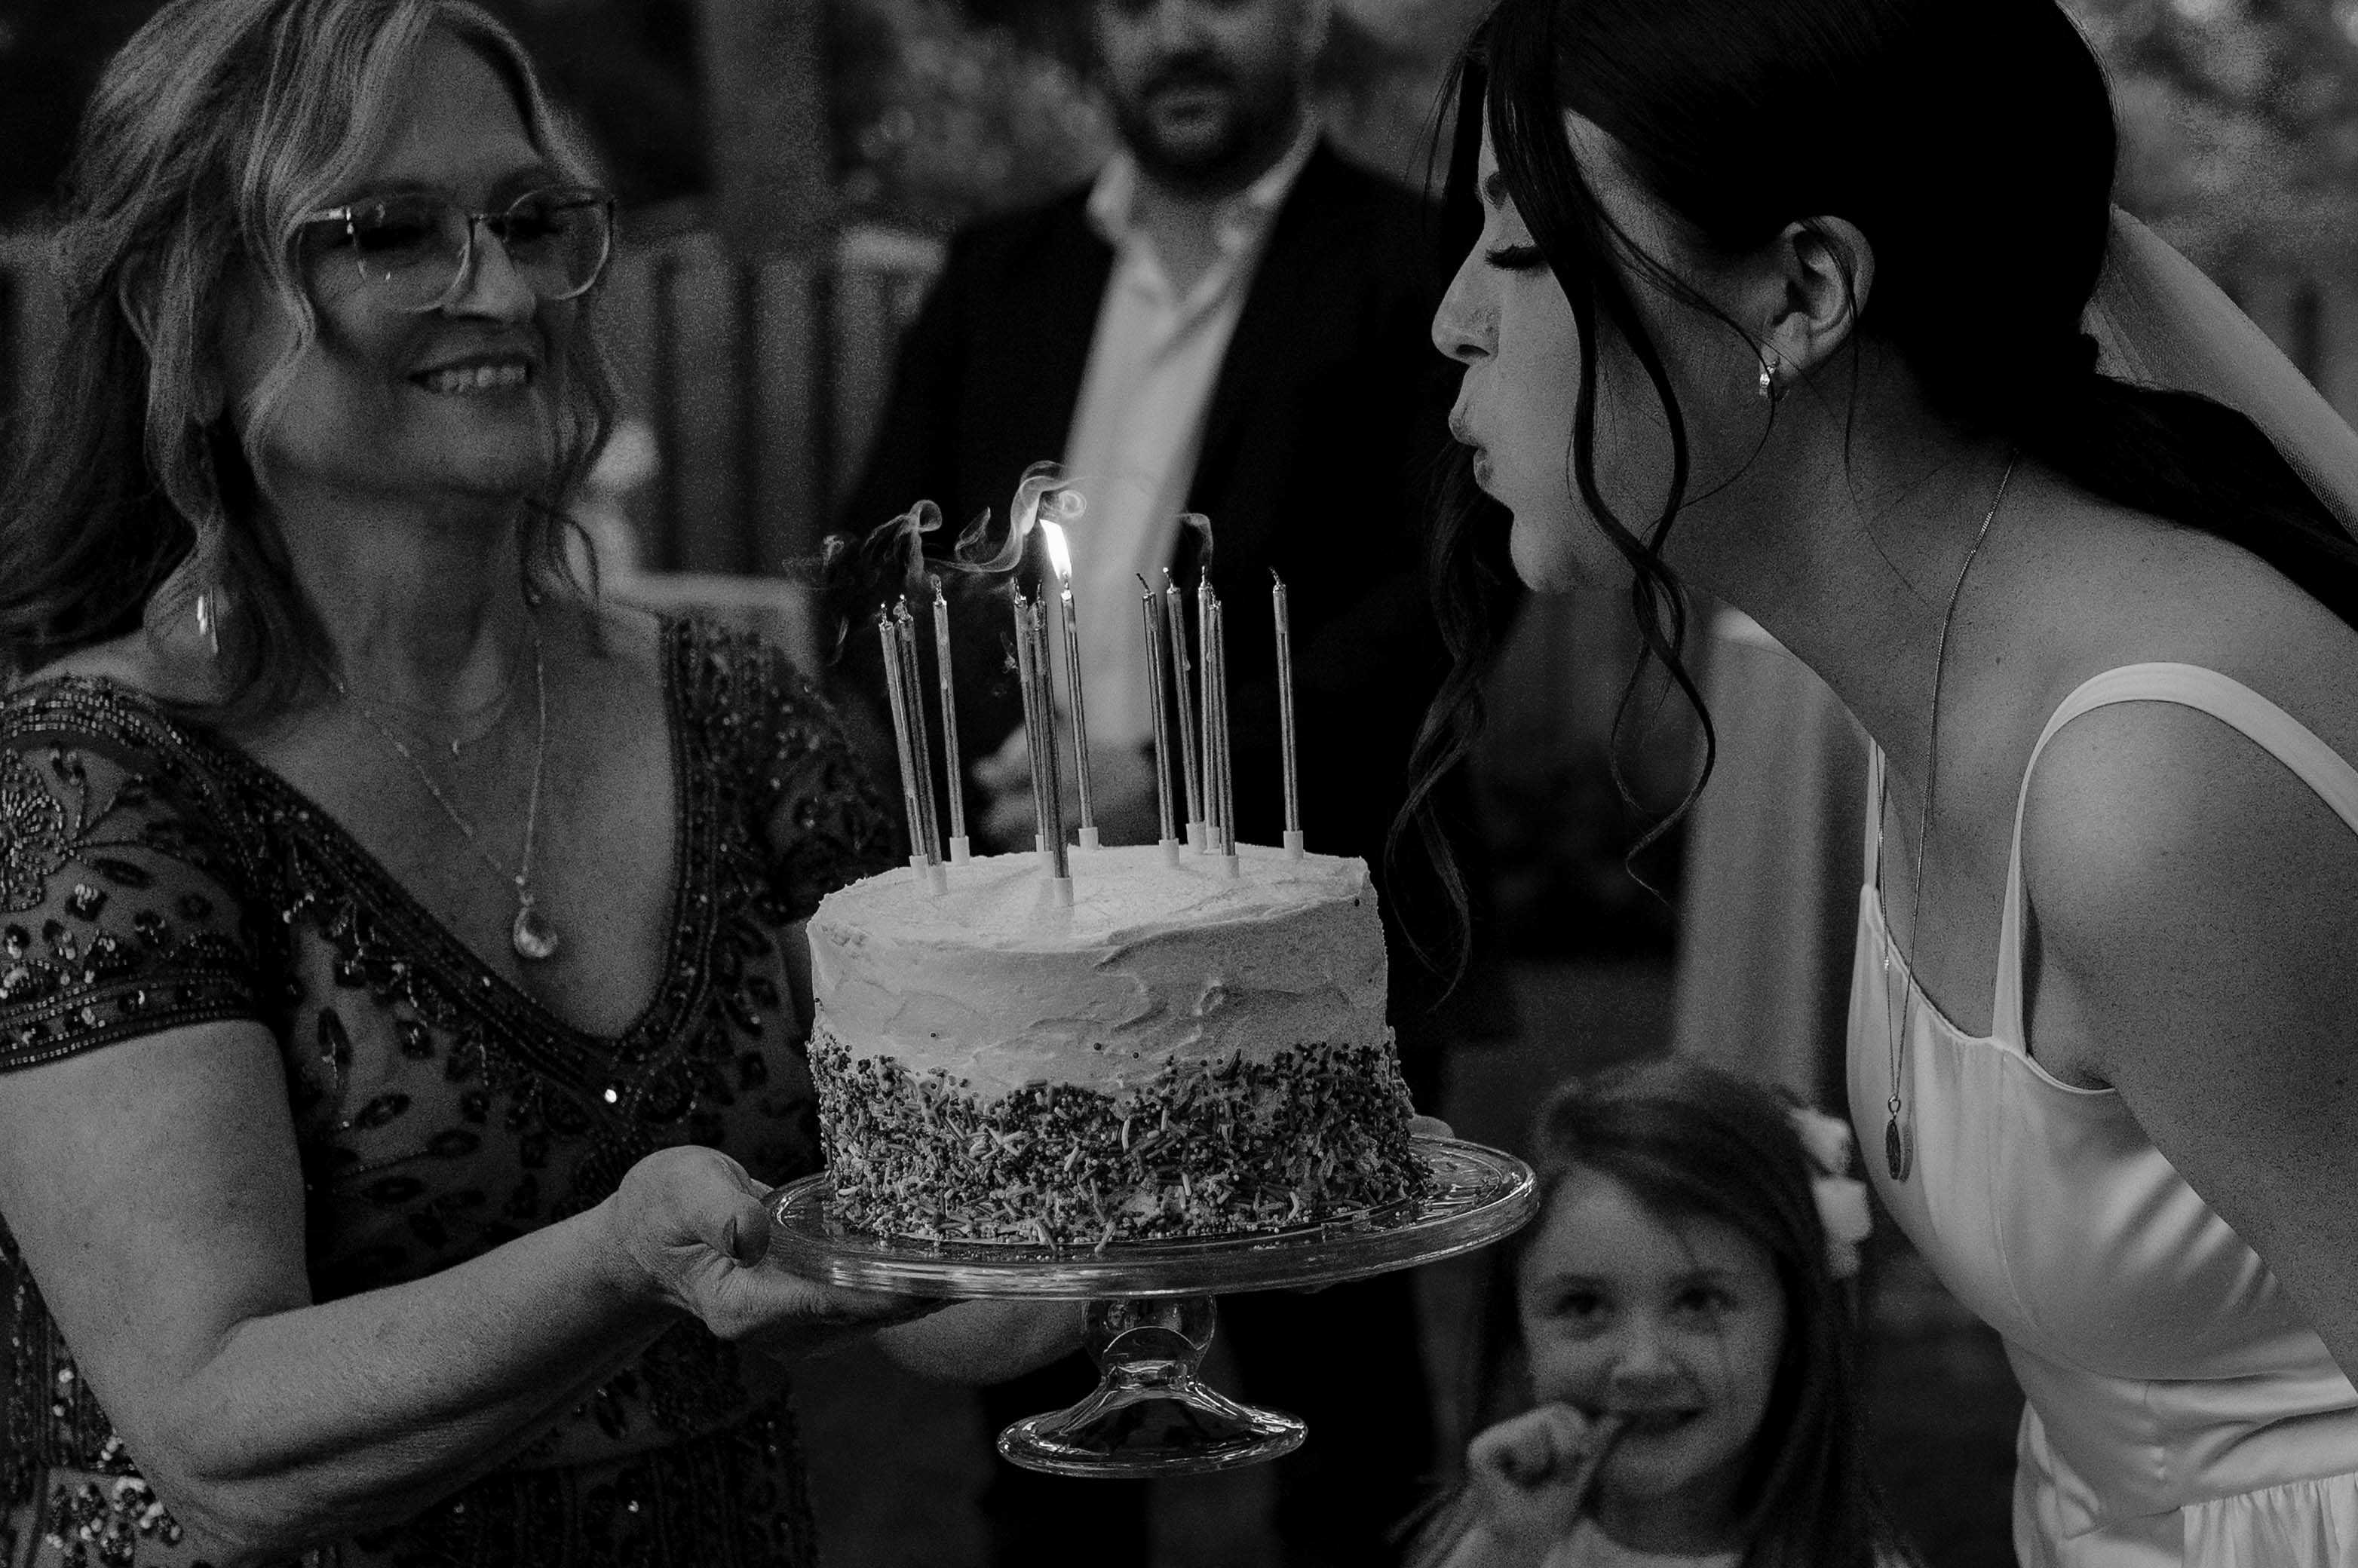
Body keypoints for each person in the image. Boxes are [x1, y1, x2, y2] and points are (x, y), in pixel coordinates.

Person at [0, 3, 1076, 1563]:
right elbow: (220, 1439)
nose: (501, 288)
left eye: (529, 220)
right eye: (389, 232)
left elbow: (953, 1304)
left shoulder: (735, 714)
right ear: (196, 318)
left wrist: (1107, 1080)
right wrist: (627, 1258)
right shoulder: (90, 790)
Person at [1418, 0, 2358, 1561]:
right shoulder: (1929, 665)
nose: (1455, 318)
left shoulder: (2150, 788)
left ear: (1803, 293)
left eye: (1519, 245)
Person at [839, 0, 1481, 1561]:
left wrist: (1178, 783)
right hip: (1027, 937)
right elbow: (879, 560)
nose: (1179, 32)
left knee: (1347, 1400)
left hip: (1295, 934)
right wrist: (1007, 767)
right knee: (1044, 1439)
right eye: (1137, 3)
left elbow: (1453, 585)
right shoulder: (1000, 270)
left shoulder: (1417, 262)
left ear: (1308, 18)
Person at [1412, 1058, 1901, 1568]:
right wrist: (1501, 1551)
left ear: (1796, 1319)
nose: (1642, 1365)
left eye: (1698, 1301)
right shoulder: (1491, 1543)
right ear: (1518, 1329)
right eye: (1583, 1304)